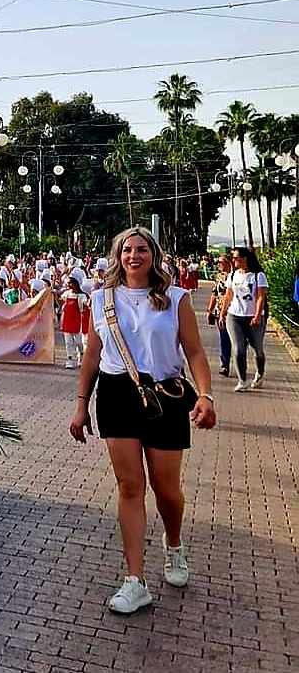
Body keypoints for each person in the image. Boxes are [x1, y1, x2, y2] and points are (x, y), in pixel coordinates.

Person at [70, 227, 216, 615]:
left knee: (167, 489)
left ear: (153, 254)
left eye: (142, 249)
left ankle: (174, 545)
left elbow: (196, 353)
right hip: (117, 395)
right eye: (127, 250)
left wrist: (204, 394)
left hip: (165, 397)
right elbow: (91, 357)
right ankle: (135, 580)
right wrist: (81, 403)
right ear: (117, 256)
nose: (134, 256)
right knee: (130, 487)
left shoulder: (176, 299)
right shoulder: (101, 299)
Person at [217, 246, 268, 392]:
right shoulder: (233, 275)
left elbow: (260, 297)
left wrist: (257, 315)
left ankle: (259, 373)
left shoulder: (258, 275)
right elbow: (228, 295)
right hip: (235, 316)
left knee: (258, 350)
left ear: (244, 259)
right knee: (238, 349)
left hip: (253, 318)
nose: (233, 260)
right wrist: (222, 313)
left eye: (236, 257)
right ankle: (242, 380)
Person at [206, 255, 233, 376]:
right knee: (224, 338)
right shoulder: (219, 276)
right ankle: (225, 364)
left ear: (228, 262)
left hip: (234, 312)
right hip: (220, 312)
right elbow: (214, 293)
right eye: (218, 262)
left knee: (237, 340)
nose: (219, 264)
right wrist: (209, 310)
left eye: (221, 262)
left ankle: (239, 362)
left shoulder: (236, 276)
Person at [58, 277, 86, 369]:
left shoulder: (81, 296)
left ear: (75, 284)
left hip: (77, 322)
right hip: (66, 321)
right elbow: (59, 300)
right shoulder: (66, 294)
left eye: (70, 283)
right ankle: (69, 359)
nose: (68, 285)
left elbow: (85, 306)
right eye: (67, 283)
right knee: (68, 342)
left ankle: (81, 356)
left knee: (79, 342)